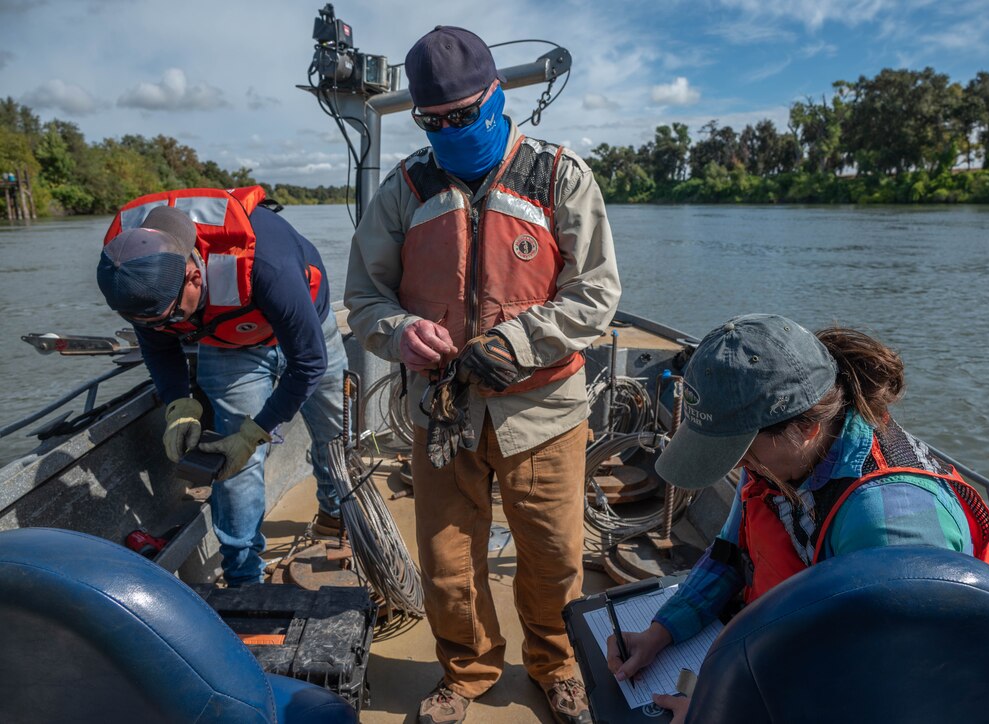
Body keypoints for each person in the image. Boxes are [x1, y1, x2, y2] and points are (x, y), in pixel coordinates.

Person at [344, 26, 621, 724]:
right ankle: (466, 672)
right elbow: (365, 298)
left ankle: (558, 666)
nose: (449, 131)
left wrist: (518, 342)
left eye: (463, 116)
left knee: (555, 554)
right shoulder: (404, 190)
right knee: (447, 561)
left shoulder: (561, 176)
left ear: (497, 99)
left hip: (545, 412)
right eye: (432, 122)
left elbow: (596, 295)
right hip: (443, 413)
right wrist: (400, 331)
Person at [605, 314, 989, 723]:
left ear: (806, 428)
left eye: (739, 451)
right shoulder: (773, 461)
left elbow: (897, 694)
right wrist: (661, 630)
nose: (736, 467)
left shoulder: (888, 530)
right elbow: (729, 554)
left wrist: (728, 714)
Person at [96, 187, 349, 587]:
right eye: (151, 322)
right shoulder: (135, 274)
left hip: (308, 332)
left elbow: (309, 363)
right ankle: (244, 576)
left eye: (171, 316)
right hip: (231, 346)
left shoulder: (267, 263)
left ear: (195, 276)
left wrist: (255, 432)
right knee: (233, 464)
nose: (164, 327)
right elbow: (159, 347)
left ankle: (337, 514)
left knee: (333, 433)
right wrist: (179, 405)